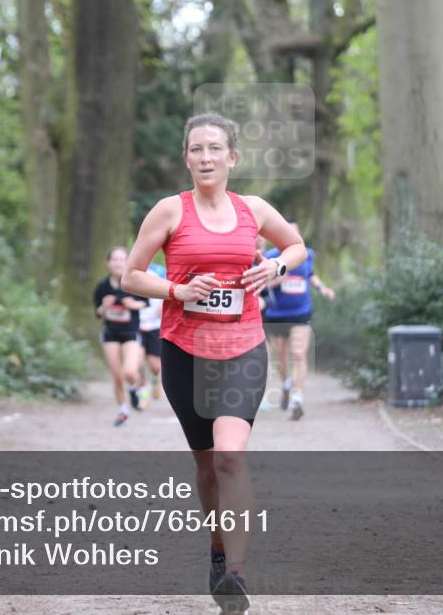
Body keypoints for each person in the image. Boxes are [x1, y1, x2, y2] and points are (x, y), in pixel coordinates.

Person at [122, 112, 306, 611]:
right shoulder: (168, 212)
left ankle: (238, 575)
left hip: (243, 348)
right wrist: (178, 289)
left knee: (230, 457)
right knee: (206, 467)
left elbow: (296, 245)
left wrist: (274, 265)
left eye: (214, 149)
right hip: (184, 353)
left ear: (232, 158)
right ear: (186, 158)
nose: (205, 157)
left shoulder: (252, 210)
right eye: (196, 149)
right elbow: (131, 277)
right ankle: (219, 549)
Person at [262, 221, 336, 420]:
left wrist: (323, 289)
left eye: (295, 232)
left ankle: (298, 397)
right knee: (281, 360)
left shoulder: (306, 254)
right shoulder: (269, 257)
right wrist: (279, 279)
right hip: (277, 315)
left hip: (301, 312)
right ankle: (286, 384)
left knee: (299, 353)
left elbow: (311, 275)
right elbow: (263, 285)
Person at [93, 246, 147, 426]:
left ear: (127, 262)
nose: (118, 263)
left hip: (130, 333)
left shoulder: (133, 283)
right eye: (114, 259)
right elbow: (98, 313)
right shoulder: (102, 286)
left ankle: (133, 388)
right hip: (110, 333)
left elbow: (145, 303)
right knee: (116, 375)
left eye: (122, 259)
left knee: (130, 371)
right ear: (108, 263)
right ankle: (123, 411)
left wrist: (132, 304)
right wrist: (104, 307)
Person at [136, 262, 167, 408]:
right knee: (137, 365)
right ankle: (144, 397)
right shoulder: (128, 274)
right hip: (134, 327)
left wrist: (162, 309)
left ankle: (156, 381)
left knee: (155, 365)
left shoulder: (157, 272)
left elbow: (168, 292)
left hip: (154, 326)